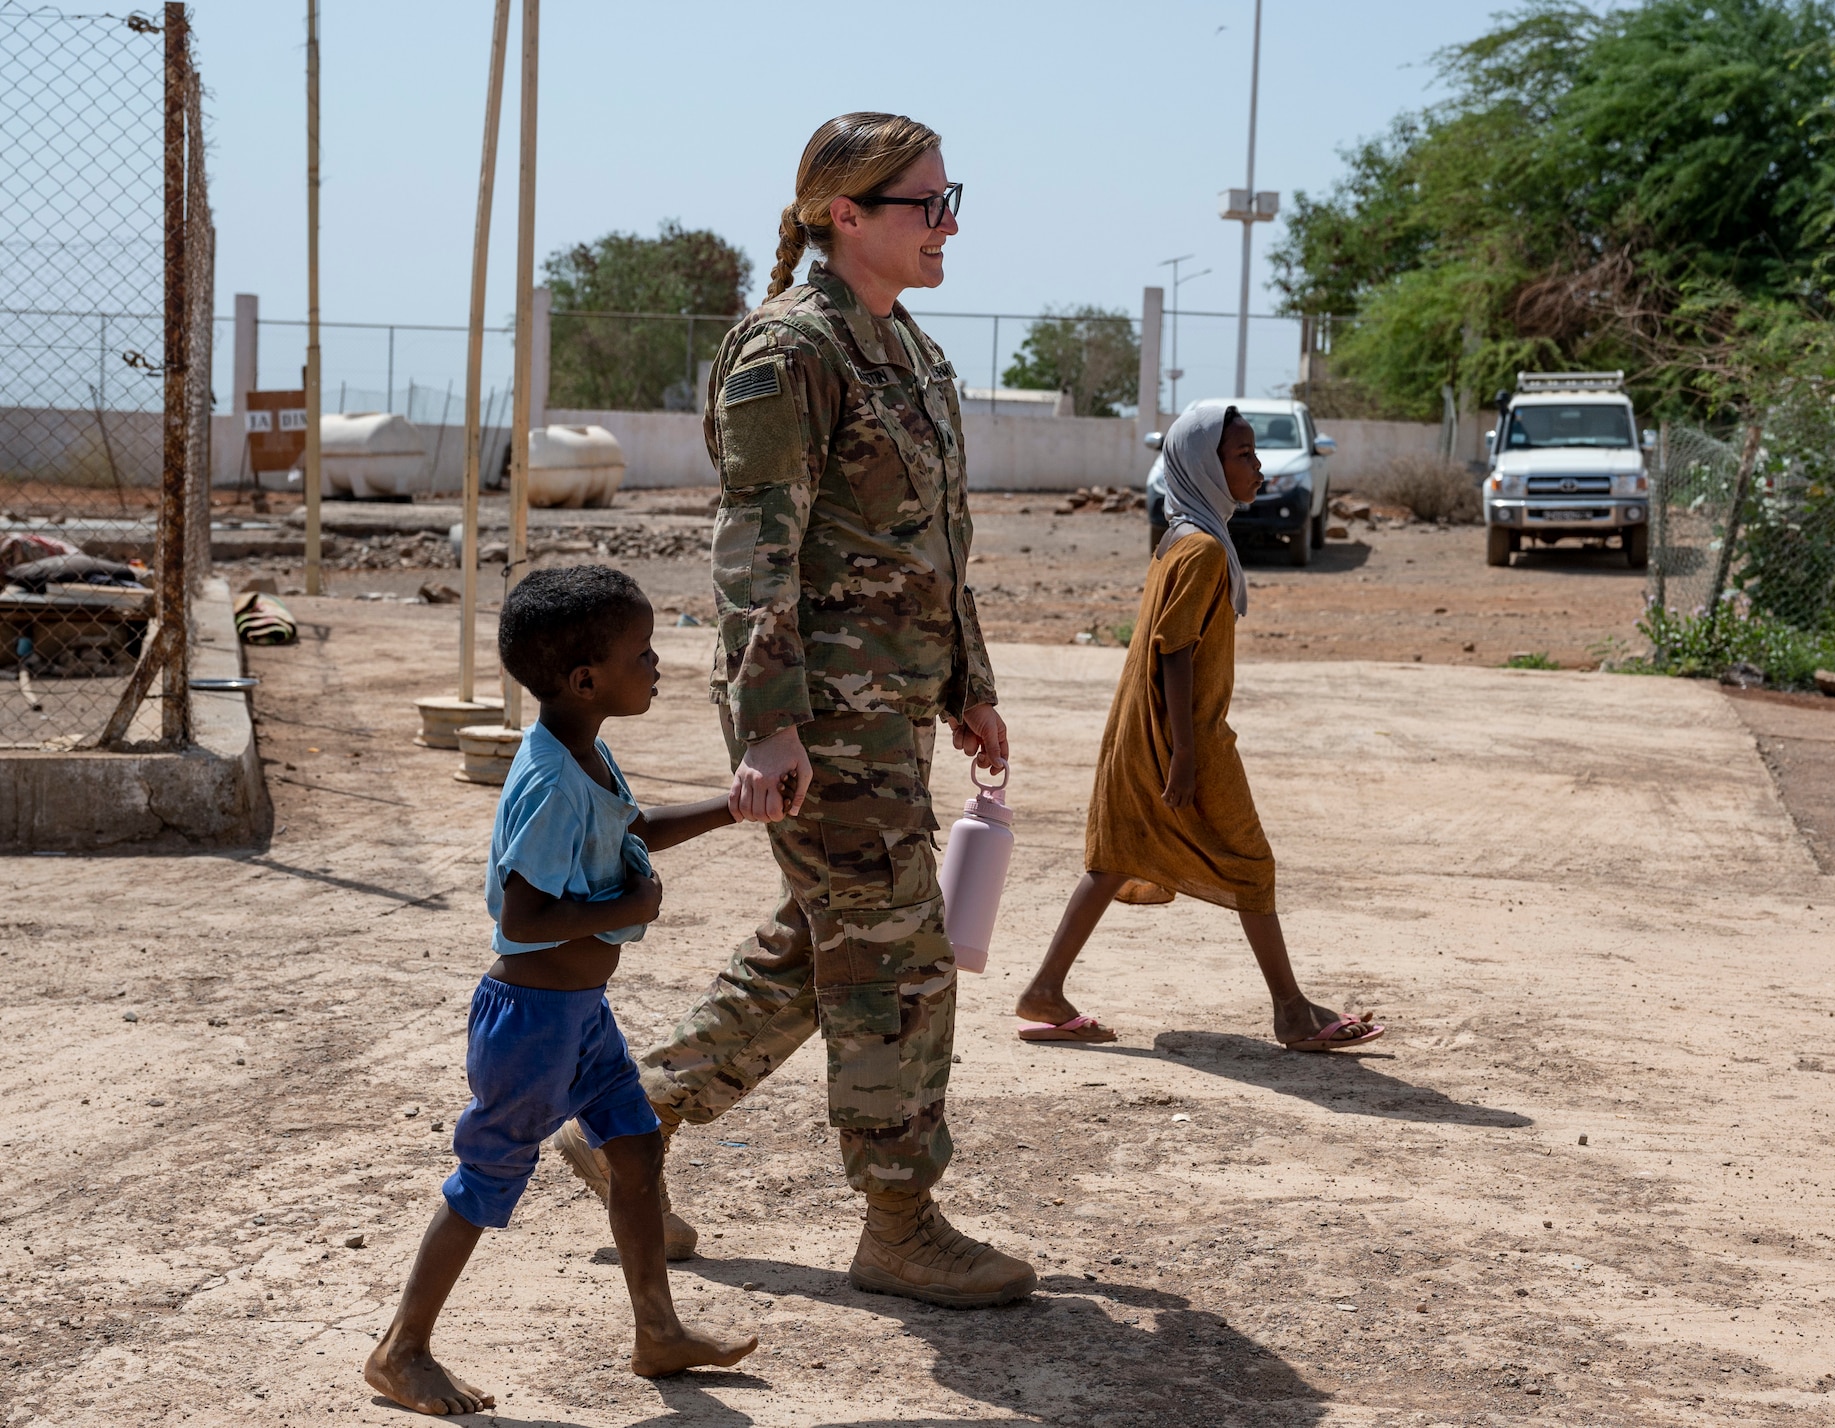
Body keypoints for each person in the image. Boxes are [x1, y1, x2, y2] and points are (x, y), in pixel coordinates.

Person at [546, 113, 1035, 1309]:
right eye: (924, 202)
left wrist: (966, 683)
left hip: (893, 709)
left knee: (820, 942)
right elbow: (753, 553)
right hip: (819, 717)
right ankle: (899, 1222)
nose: (948, 223)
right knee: (895, 960)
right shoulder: (789, 350)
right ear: (844, 213)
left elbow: (936, 544)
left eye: (946, 196)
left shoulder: (905, 351)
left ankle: (626, 1120)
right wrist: (767, 725)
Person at [364, 567, 757, 1417]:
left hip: (579, 1018)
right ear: (586, 680)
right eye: (642, 653)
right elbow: (524, 915)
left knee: (638, 1146)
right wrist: (634, 905)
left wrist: (733, 810)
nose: (657, 665)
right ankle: (402, 1351)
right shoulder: (547, 780)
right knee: (487, 1178)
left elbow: (631, 829)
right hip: (532, 1023)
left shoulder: (583, 749)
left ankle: (659, 1333)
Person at [1012, 402, 1387, 1052]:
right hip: (1183, 735)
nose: (1258, 466)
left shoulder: (1184, 535)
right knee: (1250, 862)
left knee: (1115, 856)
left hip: (1140, 731)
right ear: (1201, 464)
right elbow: (1173, 646)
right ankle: (1292, 1012)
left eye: (1253, 453)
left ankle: (1046, 987)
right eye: (1242, 455)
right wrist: (1185, 752)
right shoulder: (1205, 549)